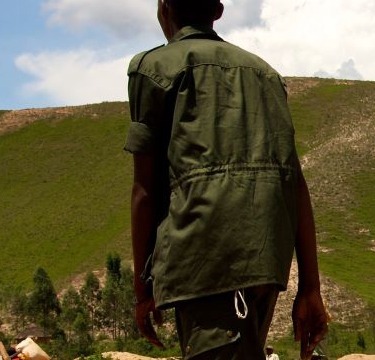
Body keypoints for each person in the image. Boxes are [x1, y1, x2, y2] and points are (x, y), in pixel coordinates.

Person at [124, 1, 329, 359]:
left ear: (163, 8)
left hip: (207, 261)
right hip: (267, 261)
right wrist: (310, 287)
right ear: (218, 11)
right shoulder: (265, 73)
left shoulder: (153, 68)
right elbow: (293, 182)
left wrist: (143, 291)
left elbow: (145, 189)